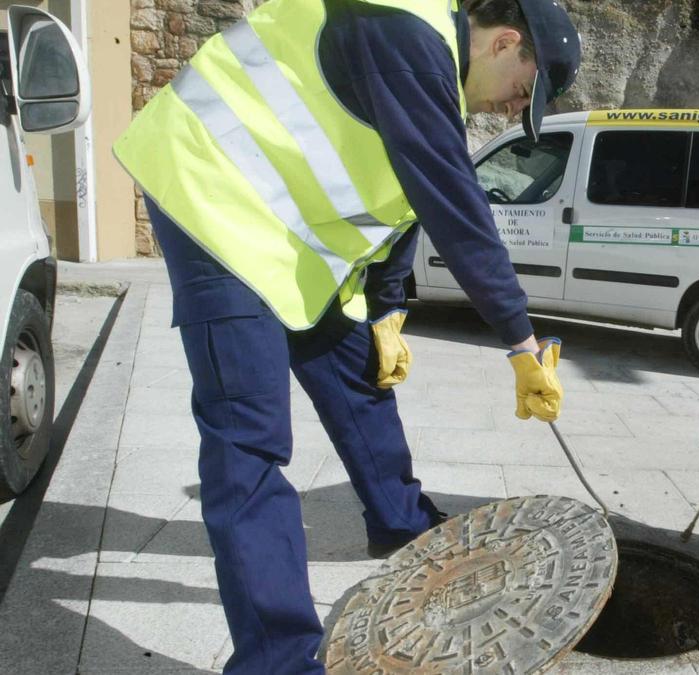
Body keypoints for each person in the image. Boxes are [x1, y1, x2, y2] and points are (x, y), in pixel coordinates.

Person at [113, 0, 581, 671]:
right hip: (211, 194)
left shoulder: (430, 75)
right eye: (523, 90)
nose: (515, 108)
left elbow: (402, 203)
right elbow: (453, 201)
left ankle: (400, 523)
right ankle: (276, 658)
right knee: (249, 438)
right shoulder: (403, 29)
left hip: (287, 239)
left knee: (359, 373)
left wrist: (386, 312)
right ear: (506, 43)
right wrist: (520, 341)